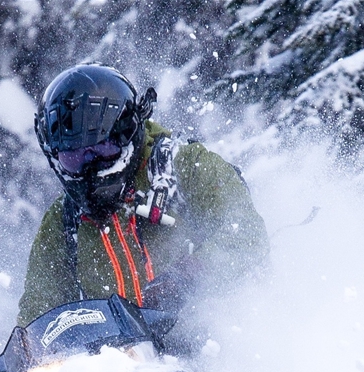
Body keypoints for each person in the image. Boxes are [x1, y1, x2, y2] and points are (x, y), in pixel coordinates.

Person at [18, 64, 269, 328]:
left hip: (218, 335)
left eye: (103, 149)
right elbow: (38, 313)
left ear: (126, 133)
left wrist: (188, 276)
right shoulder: (64, 221)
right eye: (74, 158)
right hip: (120, 352)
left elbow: (246, 234)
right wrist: (27, 347)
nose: (91, 167)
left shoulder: (186, 166)